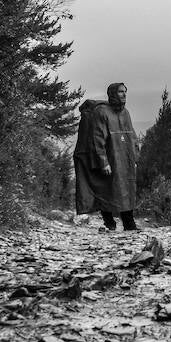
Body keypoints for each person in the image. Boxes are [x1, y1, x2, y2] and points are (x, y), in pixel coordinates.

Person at [72, 82, 140, 231]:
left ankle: (129, 224)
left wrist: (135, 158)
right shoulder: (101, 113)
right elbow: (97, 139)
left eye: (125, 92)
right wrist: (103, 162)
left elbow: (132, 137)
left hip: (125, 160)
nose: (124, 94)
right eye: (121, 92)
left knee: (127, 190)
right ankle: (109, 223)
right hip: (111, 159)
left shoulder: (126, 113)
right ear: (113, 94)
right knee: (106, 190)